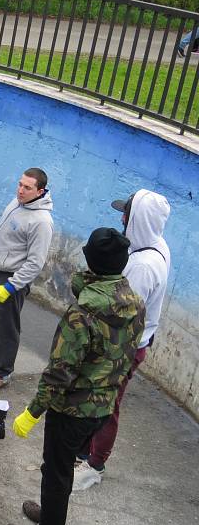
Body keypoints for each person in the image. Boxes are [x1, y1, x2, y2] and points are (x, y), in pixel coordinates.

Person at [4, 228, 145, 525]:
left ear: (91, 262)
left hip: (73, 409)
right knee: (63, 467)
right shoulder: (135, 303)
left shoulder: (84, 311)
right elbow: (129, 353)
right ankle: (52, 513)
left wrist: (33, 411)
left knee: (56, 469)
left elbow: (60, 371)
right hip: (104, 406)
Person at [72, 190, 171, 491]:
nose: (122, 219)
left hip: (124, 346)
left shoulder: (143, 266)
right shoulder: (154, 245)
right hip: (132, 341)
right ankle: (84, 451)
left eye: (126, 214)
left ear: (138, 220)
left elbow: (121, 313)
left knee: (107, 403)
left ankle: (95, 464)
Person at [0, 167, 54, 389]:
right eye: (20, 184)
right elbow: (3, 235)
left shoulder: (41, 221)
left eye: (27, 187)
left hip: (12, 278)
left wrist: (11, 286)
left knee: (6, 326)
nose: (20, 190)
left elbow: (35, 262)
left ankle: (3, 371)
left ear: (40, 191)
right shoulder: (16, 204)